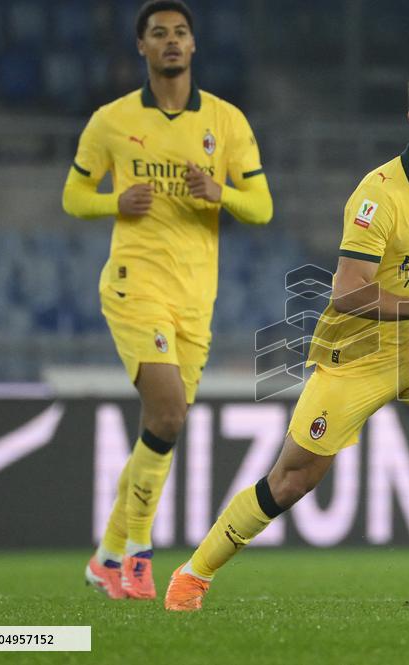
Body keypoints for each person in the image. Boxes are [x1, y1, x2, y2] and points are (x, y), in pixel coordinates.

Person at [164, 63, 409, 612]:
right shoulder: (378, 195)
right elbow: (346, 292)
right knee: (292, 480)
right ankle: (193, 575)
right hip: (357, 357)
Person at [62, 0, 274, 601]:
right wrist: (114, 203)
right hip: (135, 281)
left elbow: (263, 208)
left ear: (194, 45)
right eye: (159, 34)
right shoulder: (112, 120)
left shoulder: (227, 122)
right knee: (169, 414)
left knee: (163, 424)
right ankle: (136, 555)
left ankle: (105, 555)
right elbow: (73, 197)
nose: (172, 41)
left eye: (181, 32)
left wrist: (222, 192)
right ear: (143, 48)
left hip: (195, 297)